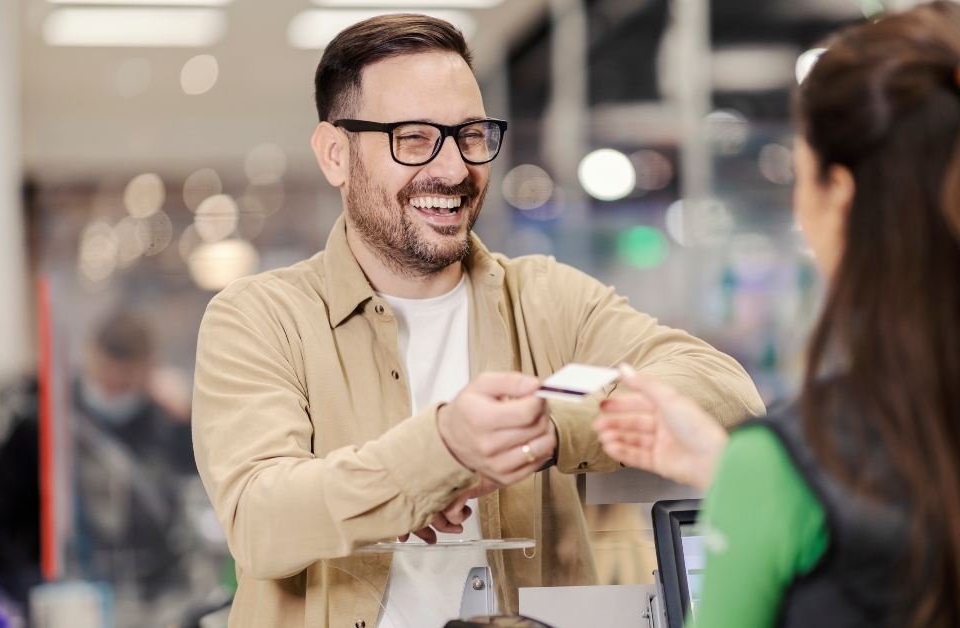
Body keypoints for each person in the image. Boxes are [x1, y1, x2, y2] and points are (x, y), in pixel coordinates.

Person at [190, 13, 764, 628]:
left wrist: (552, 427)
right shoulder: (259, 319)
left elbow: (726, 393)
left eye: (470, 134)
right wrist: (440, 452)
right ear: (336, 153)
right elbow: (260, 520)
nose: (454, 168)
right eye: (413, 138)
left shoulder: (547, 298)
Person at [595, 3, 960, 627]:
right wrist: (741, 476)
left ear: (843, 198)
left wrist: (758, 486)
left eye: (801, 178)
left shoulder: (783, 470)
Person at [0, 311, 196, 615]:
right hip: (63, 598)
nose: (113, 388)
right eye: (105, 375)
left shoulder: (161, 427)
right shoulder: (44, 424)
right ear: (89, 355)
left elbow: (190, 498)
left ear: (149, 369)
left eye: (125, 381)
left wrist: (184, 421)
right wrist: (31, 588)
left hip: (151, 601)